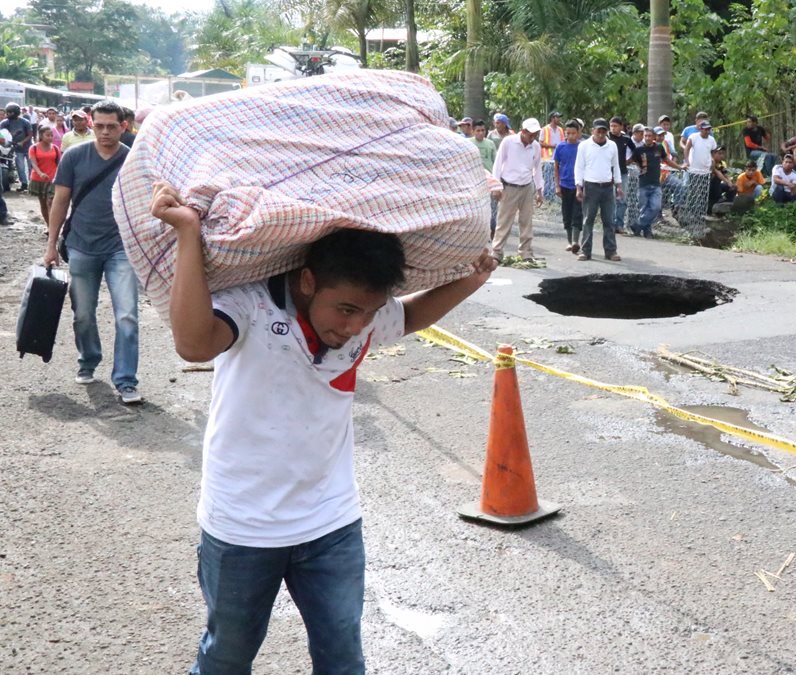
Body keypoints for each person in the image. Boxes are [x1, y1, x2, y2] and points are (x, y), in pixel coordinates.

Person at [148, 180, 497, 674]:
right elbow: (193, 344)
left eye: (369, 313)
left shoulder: (364, 314)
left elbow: (414, 313)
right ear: (308, 281)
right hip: (242, 525)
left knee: (343, 661)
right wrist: (188, 233)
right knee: (226, 657)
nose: (357, 328)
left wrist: (471, 280)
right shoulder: (250, 303)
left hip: (331, 522)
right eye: (348, 311)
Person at [43, 100, 141, 404]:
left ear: (123, 127)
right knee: (83, 313)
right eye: (99, 126)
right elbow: (60, 202)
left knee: (127, 315)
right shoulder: (74, 156)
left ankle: (126, 380)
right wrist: (50, 245)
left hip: (120, 248)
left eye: (112, 126)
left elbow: (143, 203)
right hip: (82, 247)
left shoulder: (133, 159)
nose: (105, 132)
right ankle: (88, 359)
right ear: (90, 123)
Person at [490, 118, 544, 260]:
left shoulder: (536, 146)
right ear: (524, 131)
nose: (533, 138)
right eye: (531, 135)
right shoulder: (508, 142)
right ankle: (497, 252)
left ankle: (525, 252)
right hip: (509, 186)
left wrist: (539, 191)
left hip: (527, 187)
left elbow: (537, 169)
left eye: (535, 135)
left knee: (526, 221)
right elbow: (498, 163)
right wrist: (496, 186)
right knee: (504, 221)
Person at [574, 118, 623, 261]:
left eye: (603, 131)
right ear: (592, 131)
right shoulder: (584, 146)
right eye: (598, 131)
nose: (601, 134)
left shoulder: (612, 146)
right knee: (588, 219)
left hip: (607, 187)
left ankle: (611, 251)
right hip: (591, 186)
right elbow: (579, 167)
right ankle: (586, 251)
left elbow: (616, 166)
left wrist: (619, 185)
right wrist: (579, 187)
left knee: (609, 221)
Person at [631, 126, 683, 238]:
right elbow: (631, 161)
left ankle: (638, 224)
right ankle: (647, 231)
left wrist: (679, 167)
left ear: (654, 137)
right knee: (644, 208)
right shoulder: (638, 150)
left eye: (650, 136)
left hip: (656, 183)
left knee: (655, 207)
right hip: (643, 183)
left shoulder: (659, 148)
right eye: (645, 136)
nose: (647, 138)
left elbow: (667, 160)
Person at [553, 119, 583, 253]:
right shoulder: (560, 147)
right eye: (568, 133)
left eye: (573, 133)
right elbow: (556, 167)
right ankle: (570, 241)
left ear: (578, 133)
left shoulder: (582, 147)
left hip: (578, 185)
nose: (570, 136)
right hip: (564, 185)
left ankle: (576, 240)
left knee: (577, 213)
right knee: (567, 213)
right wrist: (557, 186)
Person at [469, 120, 498, 235]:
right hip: (473, 180)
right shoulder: (468, 143)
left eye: (483, 130)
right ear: (473, 131)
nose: (481, 133)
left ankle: (491, 231)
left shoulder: (490, 144)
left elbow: (495, 161)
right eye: (478, 131)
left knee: (491, 208)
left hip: (488, 180)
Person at [28, 125, 61, 226]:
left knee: (50, 202)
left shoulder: (55, 148)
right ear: (41, 136)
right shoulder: (33, 148)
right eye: (48, 135)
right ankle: (49, 225)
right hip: (38, 179)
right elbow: (33, 163)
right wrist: (40, 173)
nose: (50, 137)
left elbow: (59, 163)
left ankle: (52, 227)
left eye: (52, 135)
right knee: (43, 204)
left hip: (53, 179)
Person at [608, 116, 636, 234]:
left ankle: (619, 224)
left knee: (622, 198)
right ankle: (610, 224)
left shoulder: (625, 139)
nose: (613, 129)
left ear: (621, 127)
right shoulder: (607, 138)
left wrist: (629, 160)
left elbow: (635, 150)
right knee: (610, 199)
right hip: (608, 172)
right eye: (611, 126)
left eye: (615, 126)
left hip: (622, 172)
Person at [2, 103, 34, 191]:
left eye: (9, 112)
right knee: (20, 167)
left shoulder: (25, 122)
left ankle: (32, 184)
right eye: (7, 112)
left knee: (31, 166)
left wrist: (22, 142)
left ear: (15, 112)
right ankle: (24, 184)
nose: (7, 114)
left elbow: (30, 135)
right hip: (15, 149)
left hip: (28, 148)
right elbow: (1, 134)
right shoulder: (5, 123)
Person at [539, 111, 564, 201]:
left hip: (557, 158)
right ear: (552, 118)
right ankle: (547, 196)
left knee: (556, 177)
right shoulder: (544, 129)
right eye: (557, 117)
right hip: (547, 158)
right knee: (548, 177)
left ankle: (554, 195)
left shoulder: (560, 130)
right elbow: (541, 143)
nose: (559, 119)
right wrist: (552, 146)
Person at [707, 145, 735, 213]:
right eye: (719, 153)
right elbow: (717, 173)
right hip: (708, 186)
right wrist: (727, 182)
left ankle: (727, 203)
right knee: (716, 178)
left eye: (723, 153)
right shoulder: (710, 162)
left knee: (733, 187)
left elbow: (725, 174)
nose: (721, 155)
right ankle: (719, 199)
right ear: (713, 154)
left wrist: (730, 183)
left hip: (717, 187)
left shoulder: (721, 163)